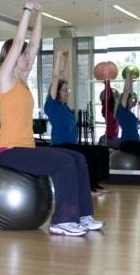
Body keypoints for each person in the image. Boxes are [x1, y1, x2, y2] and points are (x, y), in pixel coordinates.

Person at [0, 0, 104, 237]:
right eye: (23, 54)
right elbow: (19, 43)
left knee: (77, 158)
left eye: (27, 54)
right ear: (12, 57)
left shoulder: (22, 81)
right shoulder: (4, 79)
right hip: (9, 150)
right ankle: (62, 221)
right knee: (64, 163)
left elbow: (34, 44)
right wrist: (26, 11)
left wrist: (41, 15)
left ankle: (83, 215)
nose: (28, 57)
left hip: (26, 148)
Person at [44, 50, 110, 194]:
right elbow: (56, 78)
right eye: (64, 90)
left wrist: (68, 59)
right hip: (60, 145)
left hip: (71, 145)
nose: (67, 92)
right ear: (55, 92)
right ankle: (89, 187)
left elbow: (65, 79)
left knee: (102, 150)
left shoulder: (66, 108)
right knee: (90, 154)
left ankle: (95, 183)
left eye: (68, 90)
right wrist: (59, 58)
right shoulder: (52, 105)